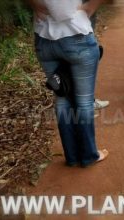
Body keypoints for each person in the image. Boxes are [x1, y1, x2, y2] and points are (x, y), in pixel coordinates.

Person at [28, 0, 108, 167]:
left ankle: (71, 157)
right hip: (77, 36)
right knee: (84, 101)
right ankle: (88, 155)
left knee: (62, 98)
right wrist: (90, 7)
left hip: (43, 39)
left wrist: (33, 4)